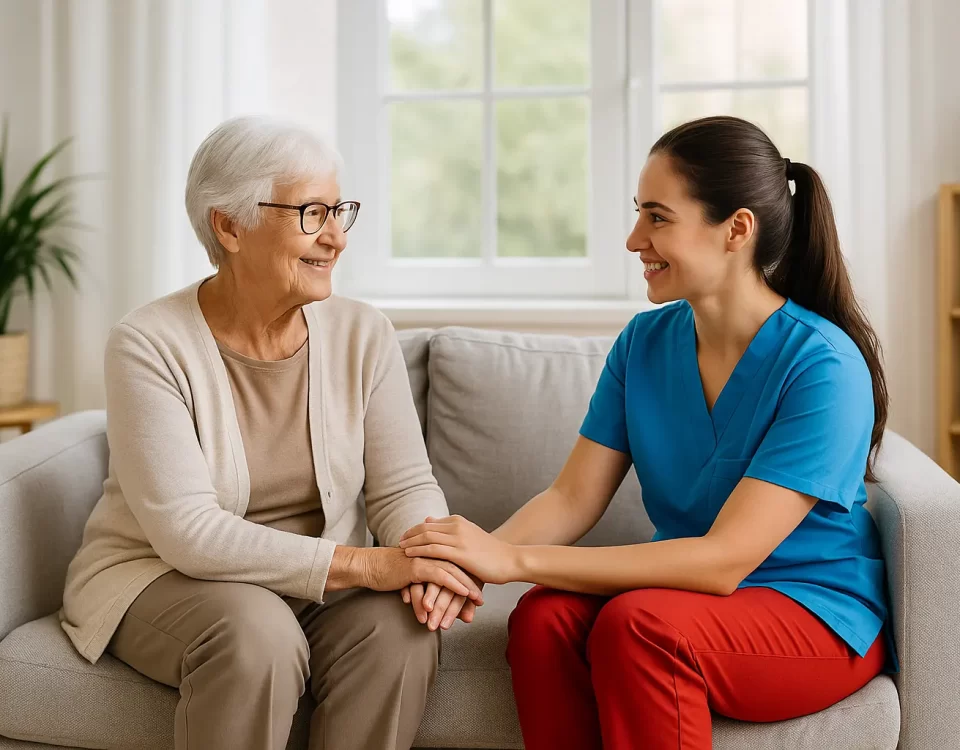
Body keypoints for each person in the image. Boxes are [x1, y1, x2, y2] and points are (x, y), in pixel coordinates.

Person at [399, 115, 894, 750]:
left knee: (638, 624)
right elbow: (571, 499)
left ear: (735, 231)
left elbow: (724, 561)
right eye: (639, 214)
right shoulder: (643, 343)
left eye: (658, 218)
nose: (635, 239)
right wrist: (469, 564)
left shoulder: (822, 364)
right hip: (685, 599)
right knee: (544, 619)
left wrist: (514, 561)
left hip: (812, 612)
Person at [60, 116, 483, 750]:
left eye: (339, 211)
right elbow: (188, 533)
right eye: (312, 214)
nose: (337, 238)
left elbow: (403, 489)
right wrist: (368, 564)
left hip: (317, 586)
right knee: (257, 634)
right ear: (228, 226)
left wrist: (427, 561)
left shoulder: (363, 334)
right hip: (167, 577)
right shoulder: (148, 343)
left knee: (403, 629)